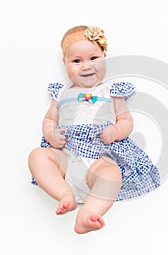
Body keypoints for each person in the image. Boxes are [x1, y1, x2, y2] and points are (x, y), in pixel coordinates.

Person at [28, 25, 160, 234]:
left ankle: (87, 214)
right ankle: (64, 194)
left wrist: (116, 131)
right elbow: (49, 119)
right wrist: (51, 135)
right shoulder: (61, 93)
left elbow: (126, 119)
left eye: (93, 58)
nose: (86, 66)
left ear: (104, 57)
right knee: (37, 156)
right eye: (77, 61)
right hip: (65, 157)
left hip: (99, 159)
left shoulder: (112, 91)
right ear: (65, 63)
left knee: (112, 173)